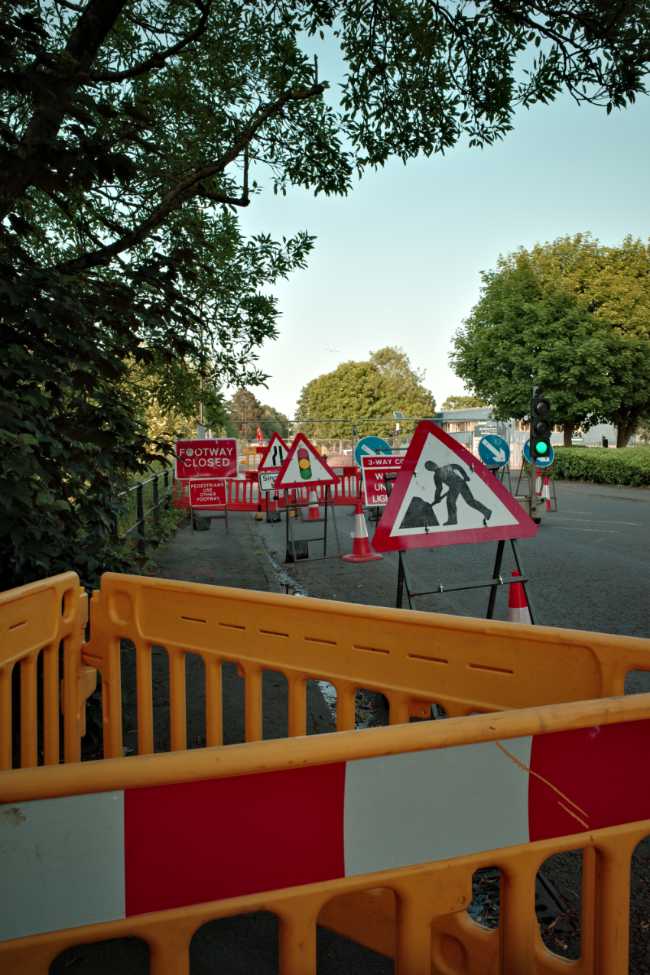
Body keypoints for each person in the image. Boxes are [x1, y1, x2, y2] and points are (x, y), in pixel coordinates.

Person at [424, 460, 492, 526]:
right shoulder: (437, 475)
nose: (432, 467)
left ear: (434, 464)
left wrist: (465, 476)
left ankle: (453, 520)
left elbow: (457, 467)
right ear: (430, 470)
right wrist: (437, 497)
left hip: (458, 484)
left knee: (453, 501)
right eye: (430, 467)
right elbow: (439, 488)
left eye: (432, 465)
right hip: (458, 484)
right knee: (466, 501)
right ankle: (486, 511)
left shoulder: (445, 468)